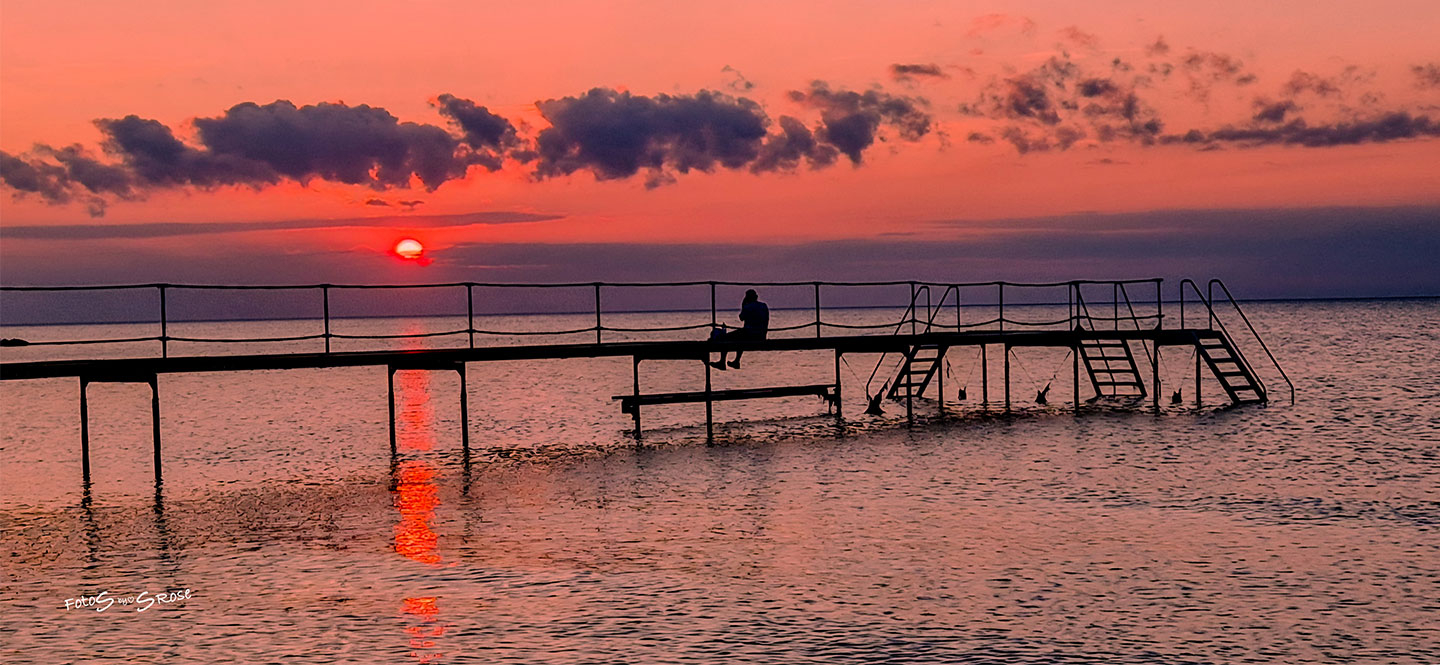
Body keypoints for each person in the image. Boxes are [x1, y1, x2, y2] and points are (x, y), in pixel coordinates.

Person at [708, 289, 769, 370]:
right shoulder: (764, 306)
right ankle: (736, 361)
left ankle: (722, 362)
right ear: (756, 297)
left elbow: (741, 318)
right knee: (740, 337)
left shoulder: (748, 307)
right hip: (761, 335)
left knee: (725, 338)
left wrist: (743, 305)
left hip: (749, 334)